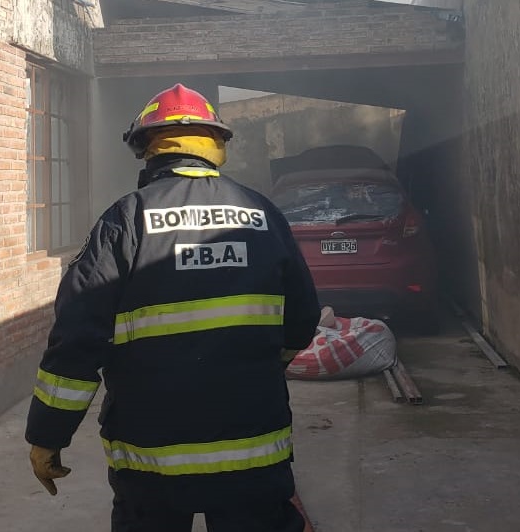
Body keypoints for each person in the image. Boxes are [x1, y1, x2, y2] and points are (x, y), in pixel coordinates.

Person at [25, 83, 321, 532]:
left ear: (148, 148)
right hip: (254, 449)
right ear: (216, 143)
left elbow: (77, 340)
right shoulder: (263, 214)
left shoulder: (126, 221)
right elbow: (302, 319)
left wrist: (48, 435)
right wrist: (259, 365)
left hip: (151, 459)